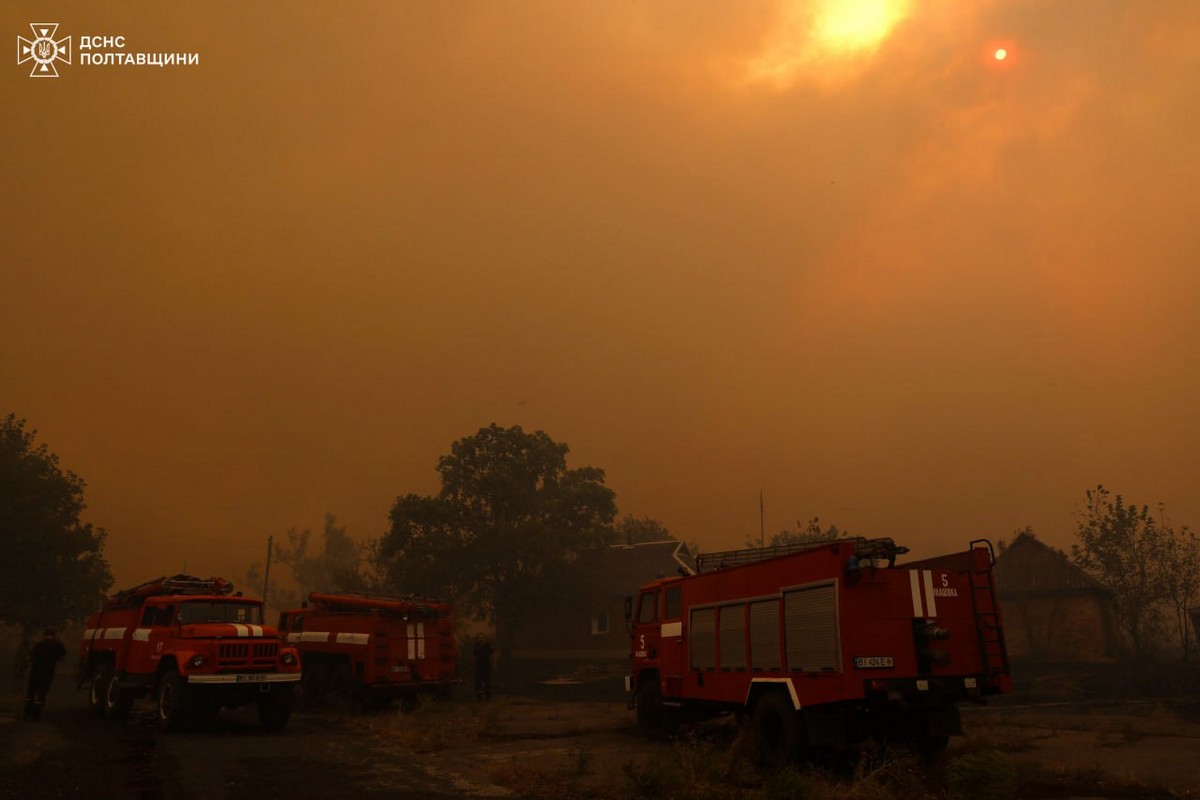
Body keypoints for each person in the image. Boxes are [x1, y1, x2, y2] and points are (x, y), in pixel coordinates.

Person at [24, 627, 67, 720]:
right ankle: (36, 715)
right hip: (48, 672)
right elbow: (62, 658)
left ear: (44, 634)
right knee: (42, 692)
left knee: (31, 692)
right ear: (54, 634)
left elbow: (30, 658)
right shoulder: (58, 645)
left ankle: (27, 713)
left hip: (35, 671)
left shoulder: (39, 644)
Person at [472, 633, 494, 701]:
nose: (481, 639)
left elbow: (492, 654)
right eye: (480, 638)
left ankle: (488, 698)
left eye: (482, 637)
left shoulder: (488, 645)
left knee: (487, 682)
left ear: (485, 638)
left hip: (486, 666)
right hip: (478, 667)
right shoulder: (476, 646)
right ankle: (479, 698)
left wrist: (494, 664)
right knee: (478, 682)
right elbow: (474, 656)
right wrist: (473, 664)